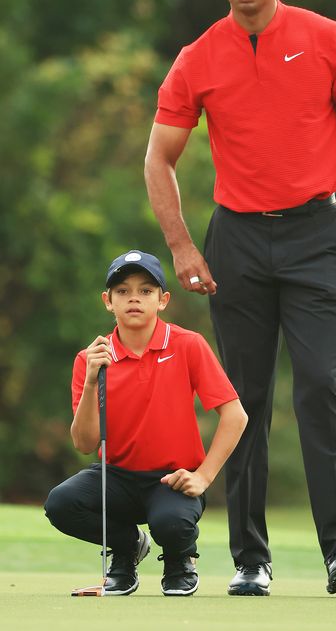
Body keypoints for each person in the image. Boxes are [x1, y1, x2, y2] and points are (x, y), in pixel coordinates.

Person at [144, 0, 336, 596]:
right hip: (238, 240)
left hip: (317, 231)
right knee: (244, 398)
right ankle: (250, 559)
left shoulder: (327, 39)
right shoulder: (198, 57)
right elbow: (159, 157)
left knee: (320, 383)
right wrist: (181, 245)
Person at [44, 249, 248, 597]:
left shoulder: (187, 345)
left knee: (171, 523)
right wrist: (93, 380)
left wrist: (204, 475)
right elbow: (83, 444)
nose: (134, 298)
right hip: (117, 478)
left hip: (172, 479)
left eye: (145, 290)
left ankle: (180, 559)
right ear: (108, 301)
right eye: (122, 291)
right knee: (60, 504)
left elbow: (235, 415)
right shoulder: (90, 358)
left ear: (162, 300)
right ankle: (127, 549)